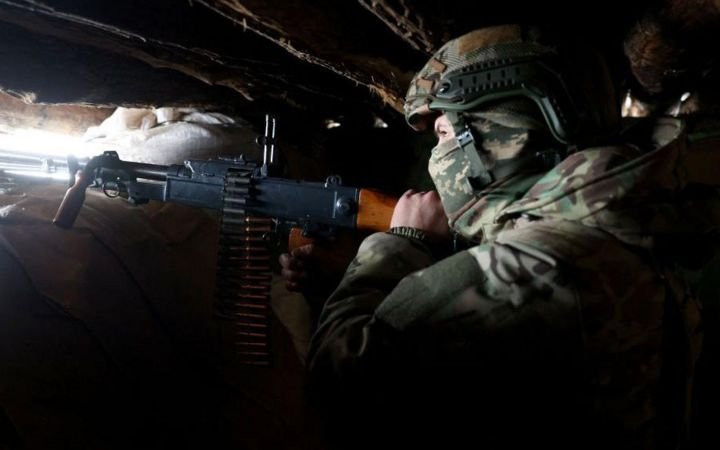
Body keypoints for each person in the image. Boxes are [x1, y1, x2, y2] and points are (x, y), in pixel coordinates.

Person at [280, 24, 711, 449]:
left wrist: (400, 243)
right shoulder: (610, 234)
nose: (437, 155)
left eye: (445, 133)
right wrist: (351, 287)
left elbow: (339, 385)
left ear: (501, 130)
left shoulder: (544, 265)